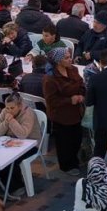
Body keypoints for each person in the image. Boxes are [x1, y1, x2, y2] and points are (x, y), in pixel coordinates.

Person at [43, 47, 86, 175]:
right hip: (61, 116)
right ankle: (67, 166)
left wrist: (82, 94)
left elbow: (81, 83)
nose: (70, 59)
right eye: (66, 57)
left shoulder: (73, 69)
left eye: (69, 56)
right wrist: (69, 100)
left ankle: (74, 160)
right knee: (64, 142)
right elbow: (51, 101)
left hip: (75, 113)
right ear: (58, 61)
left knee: (76, 138)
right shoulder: (50, 79)